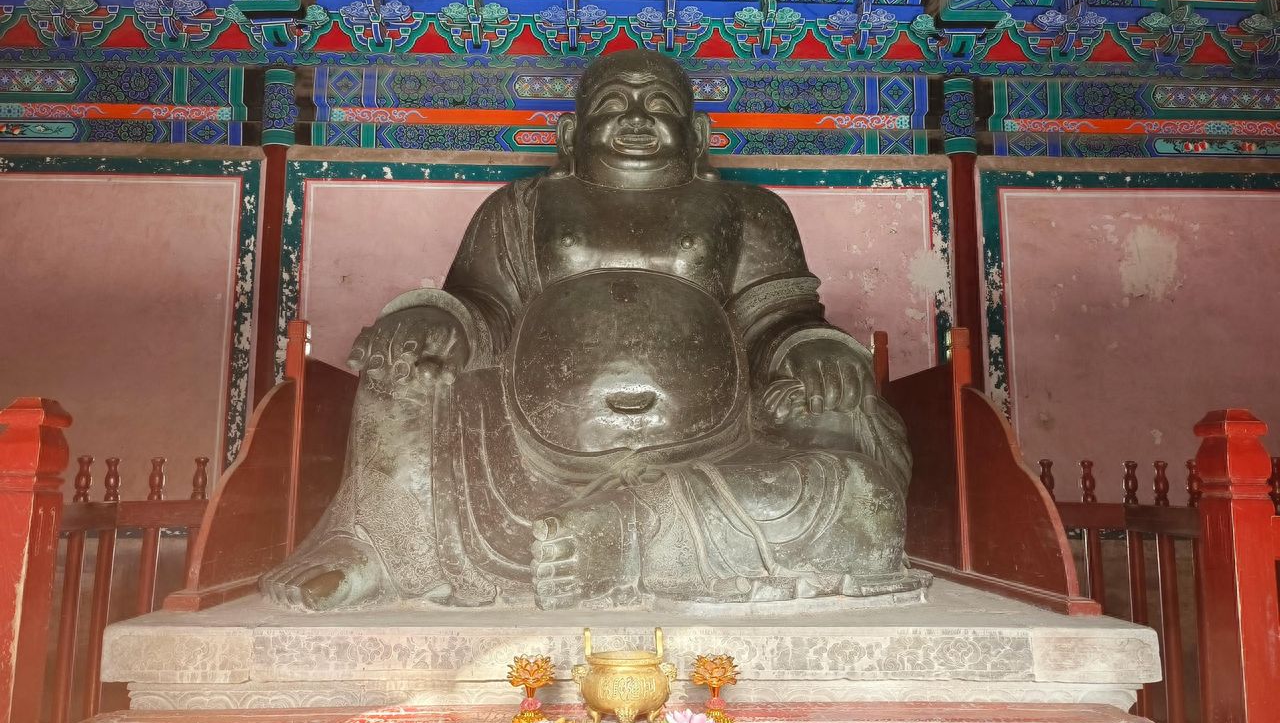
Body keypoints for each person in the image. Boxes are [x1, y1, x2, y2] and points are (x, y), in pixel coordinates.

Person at [262, 50, 922, 611]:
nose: (636, 118)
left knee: (861, 498)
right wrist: (433, 321)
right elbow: (485, 311)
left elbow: (778, 319)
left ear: (697, 137)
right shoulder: (520, 206)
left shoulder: (747, 209)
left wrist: (816, 352)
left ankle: (626, 536)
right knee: (403, 375)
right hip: (527, 449)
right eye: (613, 104)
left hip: (712, 452)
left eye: (660, 105)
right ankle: (386, 547)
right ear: (570, 135)